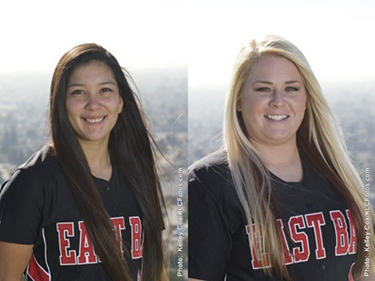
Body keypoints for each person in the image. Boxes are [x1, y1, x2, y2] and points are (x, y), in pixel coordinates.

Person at [188, 35, 375, 281]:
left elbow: (366, 270)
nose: (278, 101)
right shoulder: (209, 183)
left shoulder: (338, 174)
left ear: (307, 99)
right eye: (263, 89)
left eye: (291, 88)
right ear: (238, 101)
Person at [0, 44, 168, 281]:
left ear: (121, 102)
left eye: (105, 90)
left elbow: (155, 270)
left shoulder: (137, 174)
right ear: (61, 103)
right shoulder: (33, 183)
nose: (93, 104)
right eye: (78, 92)